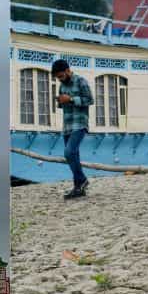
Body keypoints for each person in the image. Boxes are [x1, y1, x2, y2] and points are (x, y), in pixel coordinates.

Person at [52, 59, 92, 199]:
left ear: (68, 71)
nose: (60, 79)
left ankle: (82, 180)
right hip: (67, 126)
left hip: (80, 124)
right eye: (58, 78)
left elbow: (90, 100)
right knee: (73, 156)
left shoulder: (81, 81)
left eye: (61, 76)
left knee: (69, 152)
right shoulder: (61, 86)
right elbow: (64, 106)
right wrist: (61, 101)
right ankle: (78, 188)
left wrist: (70, 99)